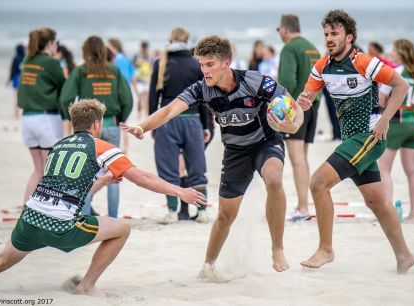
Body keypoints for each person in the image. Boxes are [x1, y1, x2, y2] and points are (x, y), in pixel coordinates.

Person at [0, 99, 206, 296]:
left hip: (30, 218)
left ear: (73, 123)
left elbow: (65, 190)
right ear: (97, 124)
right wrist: (179, 191)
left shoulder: (59, 145)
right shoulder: (101, 146)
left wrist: (101, 181)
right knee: (122, 228)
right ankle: (87, 284)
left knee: (3, 258)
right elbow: (141, 177)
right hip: (60, 225)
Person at [123, 35, 304, 273]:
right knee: (225, 215)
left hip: (265, 142)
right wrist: (142, 127)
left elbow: (296, 110)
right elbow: (169, 110)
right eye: (201, 64)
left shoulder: (256, 81)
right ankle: (208, 265)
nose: (203, 70)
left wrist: (291, 127)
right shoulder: (202, 89)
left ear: (226, 63)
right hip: (236, 152)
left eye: (209, 65)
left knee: (273, 178)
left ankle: (277, 248)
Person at [296, 9, 414, 273]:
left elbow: (401, 85)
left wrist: (386, 118)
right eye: (326, 33)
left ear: (349, 37)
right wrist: (303, 102)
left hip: (370, 136)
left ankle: (326, 249)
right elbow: (306, 97)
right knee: (376, 202)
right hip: (353, 140)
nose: (329, 38)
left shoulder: (363, 62)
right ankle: (404, 255)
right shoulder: (322, 66)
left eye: (334, 33)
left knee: (317, 183)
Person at [60, 36, 133, 218]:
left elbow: (65, 98)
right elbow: (127, 99)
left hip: (88, 127)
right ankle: (113, 217)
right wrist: (120, 118)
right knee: (114, 173)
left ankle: (83, 217)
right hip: (111, 124)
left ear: (85, 51)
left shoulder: (81, 71)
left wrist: (73, 119)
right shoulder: (114, 71)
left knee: (86, 174)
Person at [148, 27, 209, 223]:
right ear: (188, 40)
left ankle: (172, 212)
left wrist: (151, 124)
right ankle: (202, 212)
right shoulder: (196, 65)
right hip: (192, 119)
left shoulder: (160, 63)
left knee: (168, 169)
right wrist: (206, 125)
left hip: (166, 120)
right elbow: (204, 98)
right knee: (197, 167)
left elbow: (152, 98)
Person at [277, 14, 321, 222]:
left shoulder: (290, 48)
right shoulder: (313, 47)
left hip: (296, 106)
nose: (279, 34)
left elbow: (286, 80)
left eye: (279, 30)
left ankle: (303, 207)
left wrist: (285, 107)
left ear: (285, 29)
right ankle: (304, 205)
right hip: (314, 103)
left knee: (296, 159)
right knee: (302, 158)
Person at [17, 27, 65, 203]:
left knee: (38, 170)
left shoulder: (28, 60)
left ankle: (26, 210)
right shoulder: (50, 62)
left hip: (27, 118)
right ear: (51, 43)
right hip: (46, 118)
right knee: (50, 170)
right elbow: (64, 87)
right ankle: (45, 211)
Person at [378, 39, 414, 219]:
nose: (391, 53)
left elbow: (382, 99)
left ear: (401, 53)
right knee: (411, 171)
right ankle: (413, 212)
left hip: (397, 123)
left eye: (394, 50)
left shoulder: (396, 73)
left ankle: (388, 211)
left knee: (384, 168)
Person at [134, 41, 153, 119]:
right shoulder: (137, 56)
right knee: (140, 98)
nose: (145, 49)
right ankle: (139, 113)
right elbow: (134, 66)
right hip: (140, 79)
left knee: (148, 98)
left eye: (146, 48)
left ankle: (146, 114)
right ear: (142, 48)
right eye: (144, 48)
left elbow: (151, 66)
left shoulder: (149, 57)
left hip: (147, 79)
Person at [7, 43, 25, 117]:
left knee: (17, 98)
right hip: (24, 78)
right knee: (24, 97)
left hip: (16, 78)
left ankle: (16, 113)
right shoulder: (25, 58)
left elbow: (12, 70)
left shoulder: (15, 58)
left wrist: (9, 80)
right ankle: (23, 113)